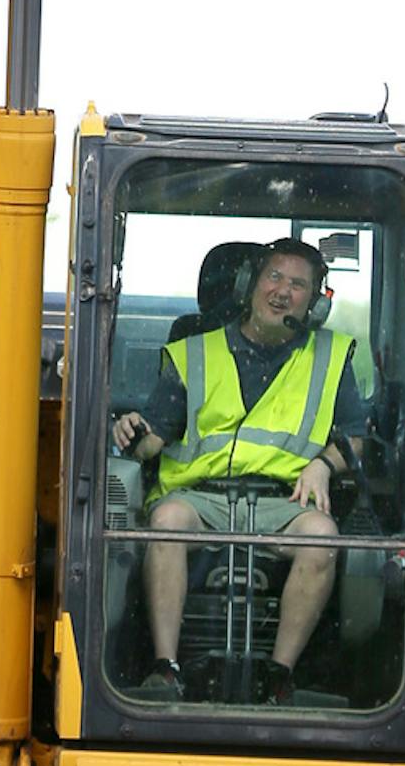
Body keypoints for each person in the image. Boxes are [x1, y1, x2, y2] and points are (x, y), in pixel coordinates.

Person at [110, 236, 369, 705]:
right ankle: (165, 669)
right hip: (199, 498)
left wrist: (322, 465)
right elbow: (155, 436)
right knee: (166, 521)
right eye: (274, 277)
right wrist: (129, 431)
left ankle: (278, 677)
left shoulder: (331, 357)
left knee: (322, 535)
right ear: (249, 286)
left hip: (283, 501)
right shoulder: (194, 352)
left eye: (298, 285)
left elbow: (356, 436)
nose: (283, 292)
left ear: (313, 303)